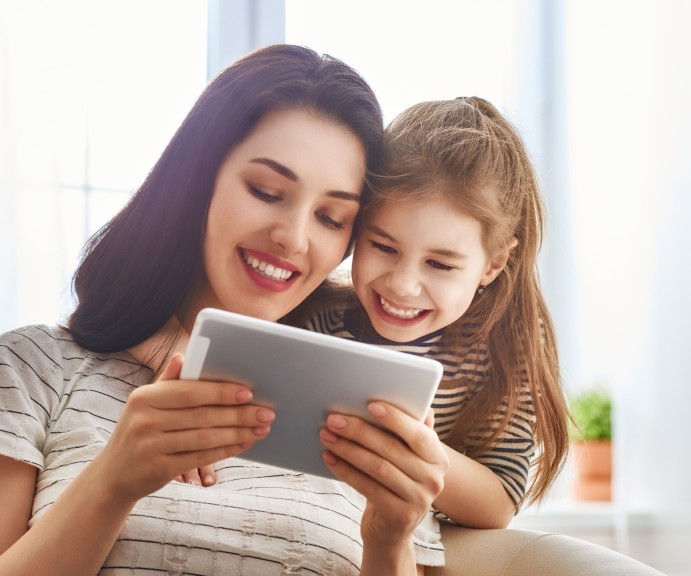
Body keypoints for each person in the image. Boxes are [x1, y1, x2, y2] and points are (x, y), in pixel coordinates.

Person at [0, 44, 449, 575]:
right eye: (266, 190)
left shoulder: (371, 411)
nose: (293, 238)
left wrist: (389, 541)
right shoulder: (34, 369)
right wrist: (113, 481)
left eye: (331, 218)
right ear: (198, 178)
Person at [294, 96, 571, 531]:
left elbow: (499, 503)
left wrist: (412, 451)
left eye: (440, 264)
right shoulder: (317, 320)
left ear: (493, 265)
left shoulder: (503, 351)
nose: (402, 285)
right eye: (383, 247)